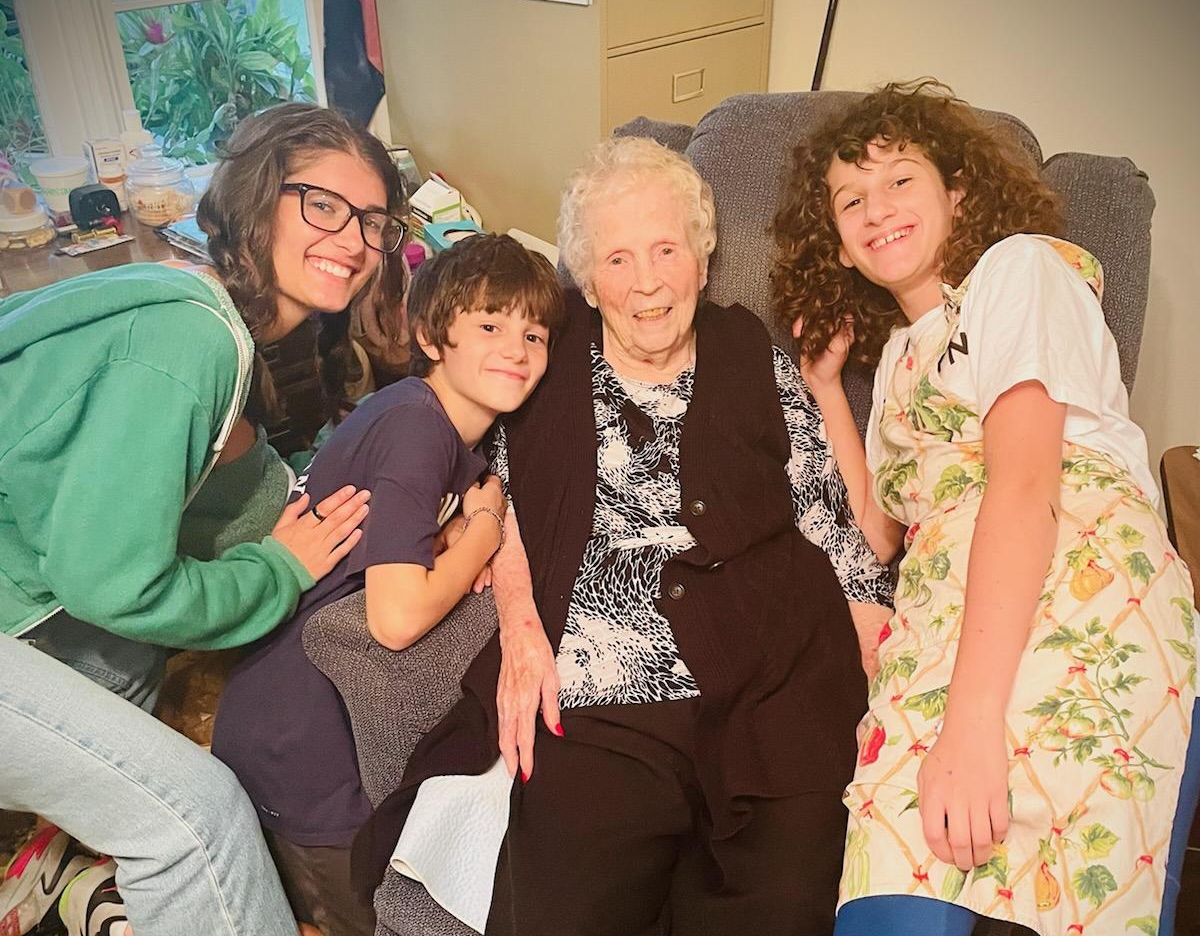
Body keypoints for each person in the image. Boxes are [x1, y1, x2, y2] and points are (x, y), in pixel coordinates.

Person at [354, 136, 894, 936]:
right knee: (563, 913)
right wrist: (521, 624)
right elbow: (492, 495)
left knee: (782, 910)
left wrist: (876, 639)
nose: (647, 281)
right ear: (586, 278)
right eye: (617, 258)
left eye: (667, 249)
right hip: (601, 696)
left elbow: (825, 515)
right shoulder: (537, 354)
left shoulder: (754, 354)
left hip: (772, 683)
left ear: (702, 261)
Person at [771, 80, 1199, 936]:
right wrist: (826, 388)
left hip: (1075, 592)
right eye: (851, 199)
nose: (876, 208)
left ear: (958, 194)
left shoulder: (1021, 270)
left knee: (1077, 900)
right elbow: (878, 531)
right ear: (840, 246)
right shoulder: (900, 359)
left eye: (900, 179)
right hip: (941, 622)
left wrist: (968, 730)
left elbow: (1025, 486)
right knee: (885, 905)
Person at [0, 102, 409, 936]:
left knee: (129, 674)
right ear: (257, 200)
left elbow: (236, 489)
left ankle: (60, 864)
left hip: (33, 592)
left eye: (373, 222)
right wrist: (279, 571)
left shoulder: (195, 304)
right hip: (31, 611)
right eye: (323, 205)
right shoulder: (192, 340)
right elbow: (108, 583)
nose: (354, 240)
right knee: (197, 818)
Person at [211, 233, 564, 936]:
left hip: (312, 722)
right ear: (431, 337)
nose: (517, 349)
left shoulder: (437, 428)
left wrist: (463, 526)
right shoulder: (416, 430)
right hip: (302, 745)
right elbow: (396, 619)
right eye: (489, 326)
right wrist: (484, 530)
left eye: (534, 334)